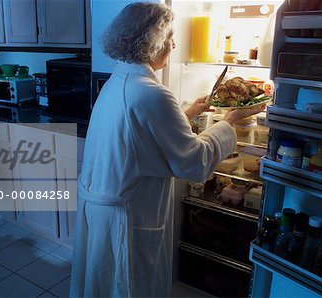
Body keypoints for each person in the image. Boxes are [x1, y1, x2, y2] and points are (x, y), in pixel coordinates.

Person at [70, 2, 264, 297]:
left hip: (105, 208)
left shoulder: (119, 81)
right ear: (153, 41)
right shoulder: (152, 93)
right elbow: (194, 163)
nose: (174, 44)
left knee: (104, 284)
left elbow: (141, 137)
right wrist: (229, 121)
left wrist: (187, 113)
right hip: (128, 217)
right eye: (170, 37)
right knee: (129, 286)